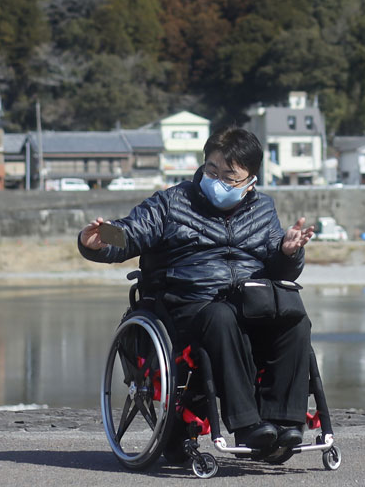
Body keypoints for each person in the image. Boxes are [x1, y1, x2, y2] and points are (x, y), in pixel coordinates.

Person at [78, 127, 315, 454]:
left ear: (251, 182)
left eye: (230, 177)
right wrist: (96, 241)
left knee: (294, 319)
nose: (217, 181)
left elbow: (278, 270)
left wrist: (289, 253)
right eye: (211, 170)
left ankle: (283, 423)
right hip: (189, 306)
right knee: (221, 316)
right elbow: (130, 234)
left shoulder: (263, 209)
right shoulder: (173, 202)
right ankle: (247, 425)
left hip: (249, 303)